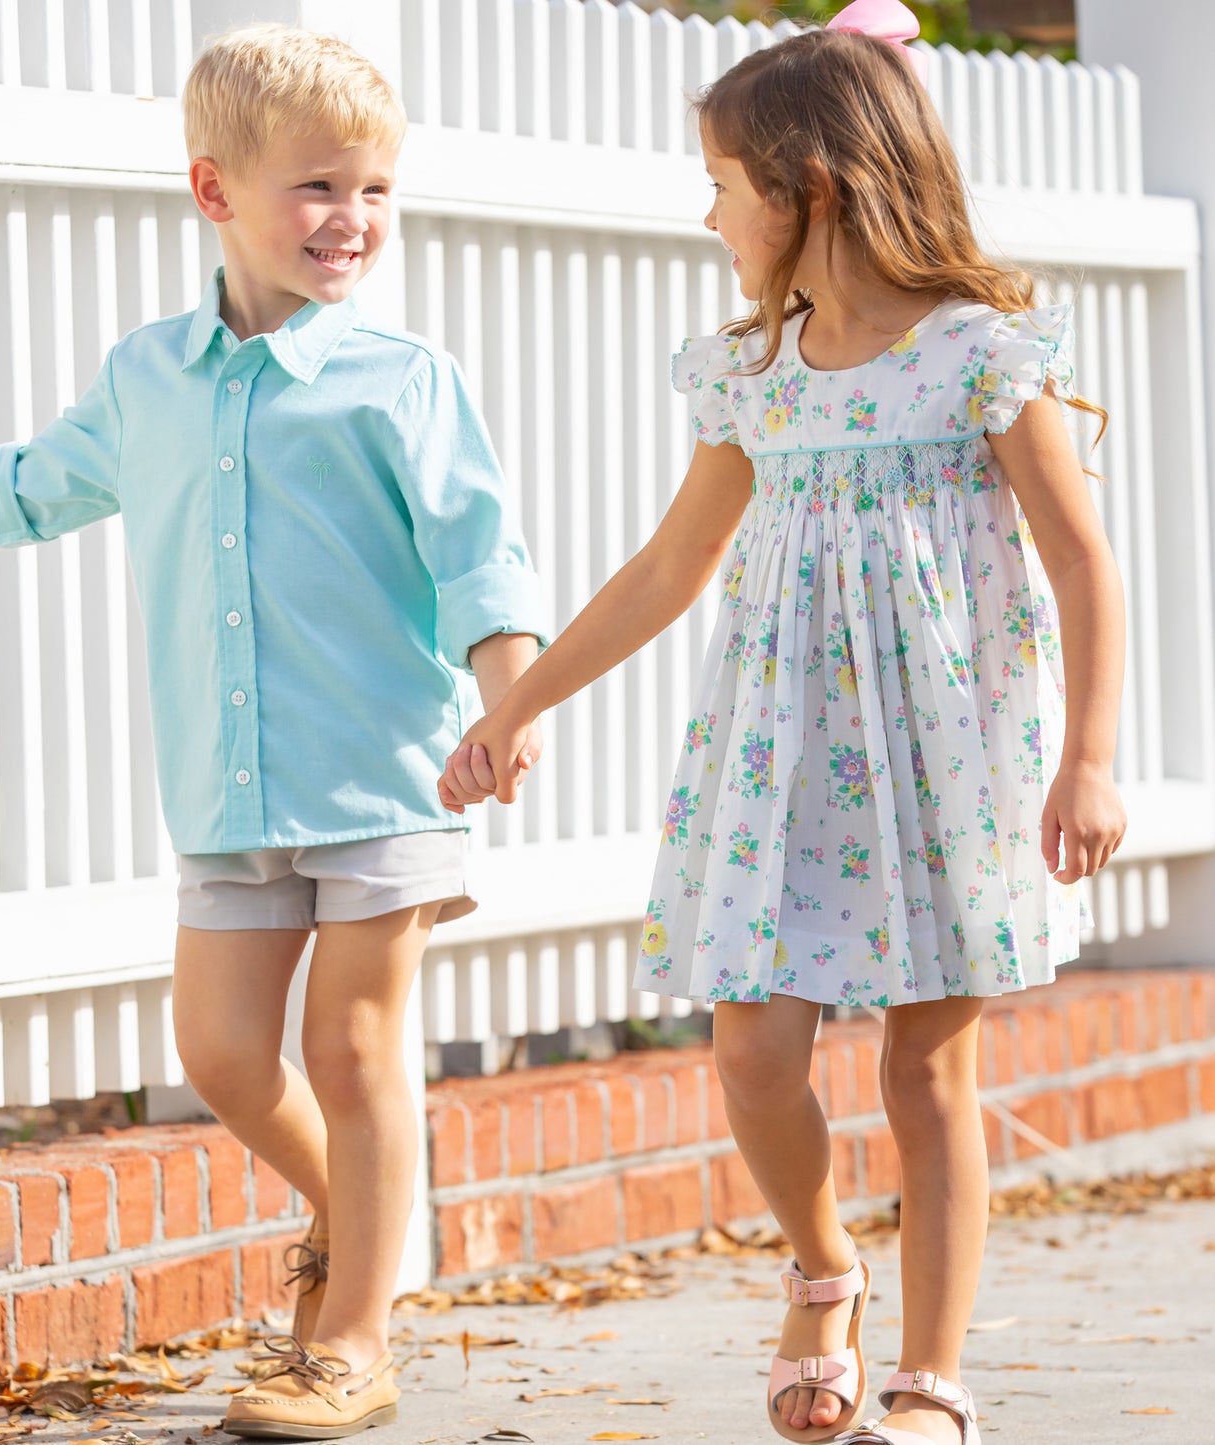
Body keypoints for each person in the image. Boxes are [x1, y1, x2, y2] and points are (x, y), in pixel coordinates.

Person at [0, 23, 545, 1440]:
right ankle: (365, 1209)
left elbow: (482, 557)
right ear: (215, 193)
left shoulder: (401, 377)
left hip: (386, 771)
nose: (352, 220)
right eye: (318, 189)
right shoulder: (149, 373)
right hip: (226, 785)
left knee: (351, 1046)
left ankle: (348, 1335)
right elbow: (30, 484)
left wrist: (506, 697)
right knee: (218, 1051)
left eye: (375, 192)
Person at [438, 3, 1125, 1443]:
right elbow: (667, 567)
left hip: (945, 752)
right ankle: (823, 1270)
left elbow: (1078, 559)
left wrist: (1091, 756)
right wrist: (521, 698)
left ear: (807, 187)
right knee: (751, 1048)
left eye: (720, 182)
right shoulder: (746, 376)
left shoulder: (978, 355)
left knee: (925, 1068)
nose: (706, 213)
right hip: (783, 753)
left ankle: (935, 1379)